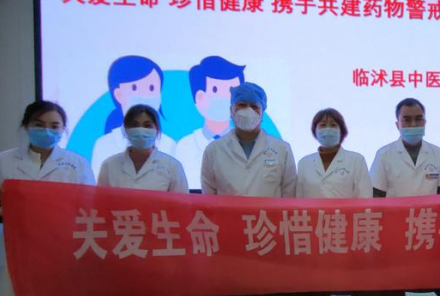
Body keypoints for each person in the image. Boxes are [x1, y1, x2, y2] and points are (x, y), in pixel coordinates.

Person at [0, 101, 94, 296]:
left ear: (63, 129)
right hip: (18, 249)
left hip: (63, 249)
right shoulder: (3, 160)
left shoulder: (77, 163)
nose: (47, 131)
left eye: (54, 126)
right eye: (39, 124)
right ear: (26, 126)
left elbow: (91, 207)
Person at [201, 81, 296, 197]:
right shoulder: (213, 150)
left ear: (262, 113)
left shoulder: (282, 149)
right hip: (228, 210)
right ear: (231, 110)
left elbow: (289, 196)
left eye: (254, 106)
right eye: (242, 105)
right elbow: (209, 198)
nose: (247, 111)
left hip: (268, 210)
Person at [91, 55, 177, 178]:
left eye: (151, 88)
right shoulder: (103, 144)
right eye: (134, 88)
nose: (144, 95)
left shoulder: (169, 144)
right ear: (118, 94)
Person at [175, 56, 245, 186]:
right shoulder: (185, 145)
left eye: (231, 91)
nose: (224, 97)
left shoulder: (246, 144)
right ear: (199, 97)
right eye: (215, 90)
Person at [370, 98, 440, 197]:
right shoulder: (383, 155)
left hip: (429, 208)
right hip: (396, 208)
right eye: (407, 120)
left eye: (418, 119)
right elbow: (376, 196)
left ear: (424, 122)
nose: (413, 124)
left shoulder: (438, 154)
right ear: (397, 125)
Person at [97, 104, 189, 192]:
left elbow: (181, 201)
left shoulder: (173, 167)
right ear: (126, 130)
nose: (140, 130)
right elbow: (100, 200)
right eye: (135, 125)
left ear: (157, 130)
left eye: (147, 125)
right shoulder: (109, 165)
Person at [296, 108, 373, 199]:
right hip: (311, 209)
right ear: (315, 131)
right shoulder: (304, 163)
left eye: (333, 125)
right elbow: (298, 199)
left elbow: (365, 196)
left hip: (346, 209)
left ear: (341, 131)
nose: (328, 129)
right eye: (322, 125)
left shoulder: (357, 161)